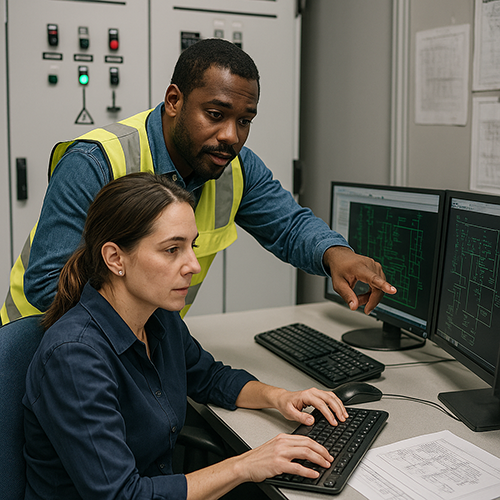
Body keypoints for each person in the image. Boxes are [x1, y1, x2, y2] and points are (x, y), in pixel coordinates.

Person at [1, 37, 396, 325]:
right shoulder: (95, 161)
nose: (231, 136)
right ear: (174, 101)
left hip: (133, 347)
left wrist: (335, 255)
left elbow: (289, 225)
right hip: (42, 346)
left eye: (244, 121)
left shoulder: (233, 166)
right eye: (215, 114)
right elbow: (47, 284)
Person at [23, 172, 349, 500]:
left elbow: (208, 377)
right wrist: (245, 465)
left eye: (191, 246)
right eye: (171, 250)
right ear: (115, 258)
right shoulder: (74, 356)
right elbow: (122, 495)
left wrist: (278, 397)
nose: (192, 264)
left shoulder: (158, 315)